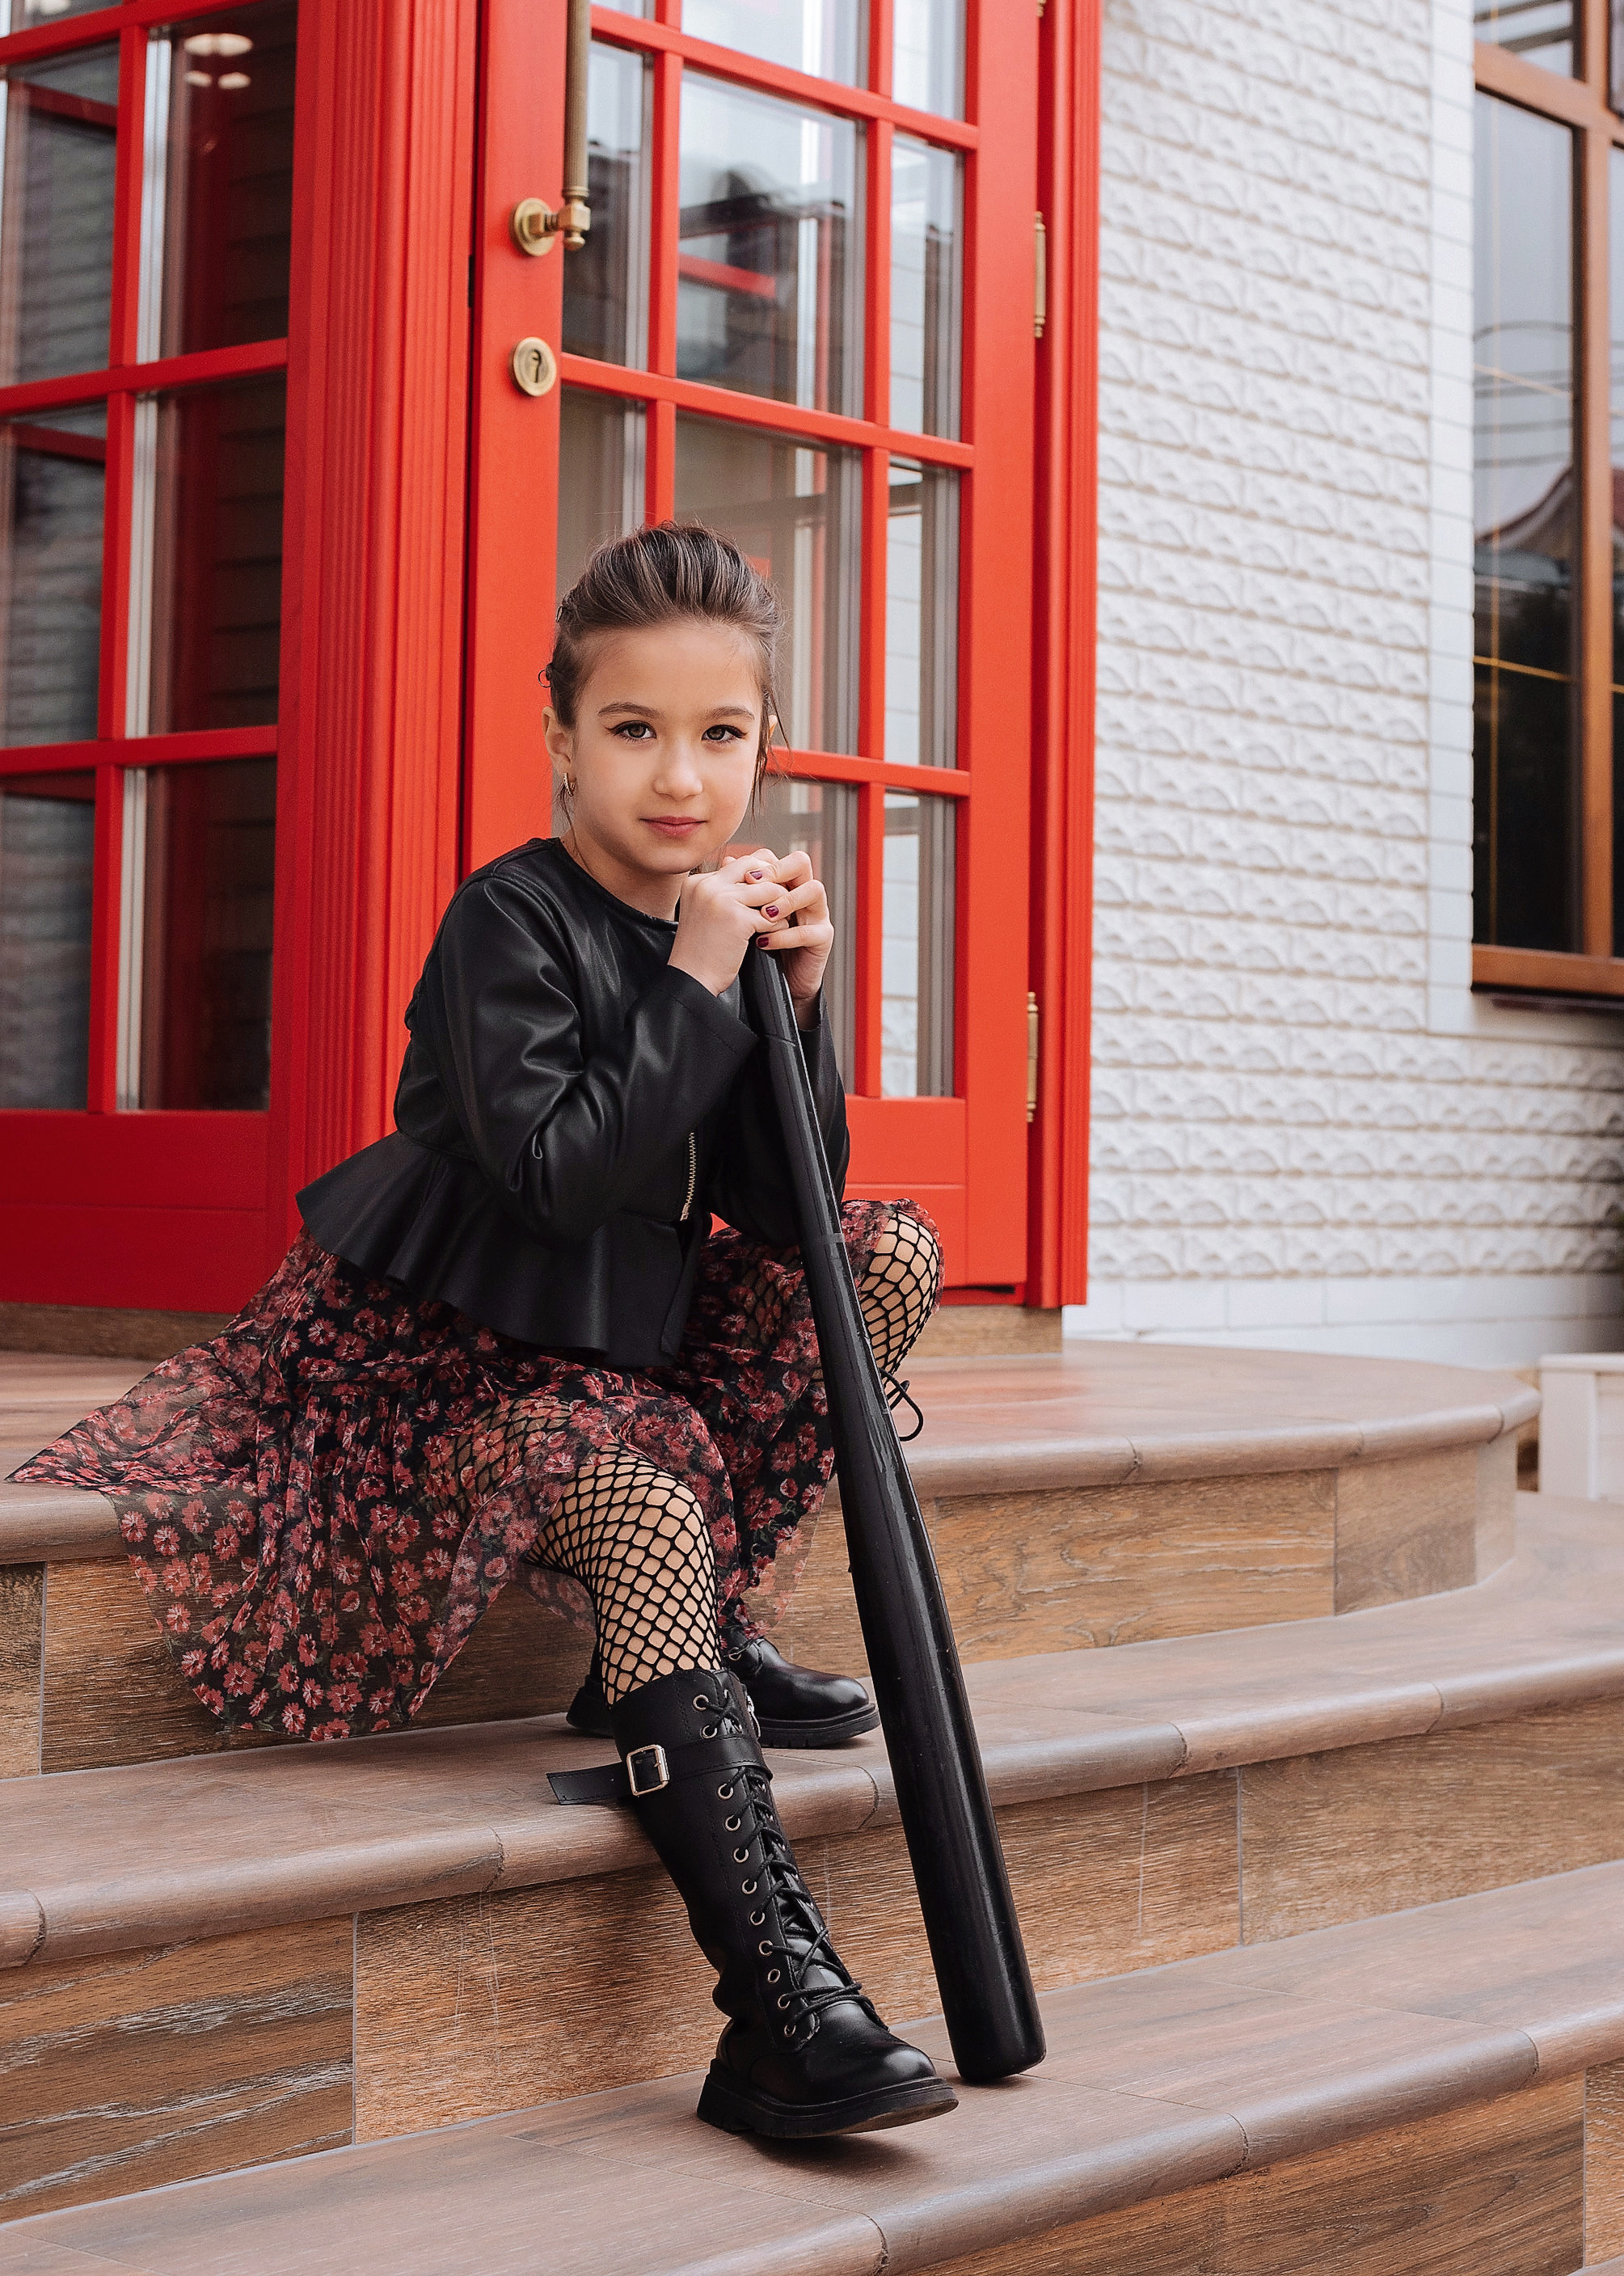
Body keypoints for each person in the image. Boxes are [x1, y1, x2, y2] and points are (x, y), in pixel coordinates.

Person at [11, 521, 955, 2143]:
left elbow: (784, 1216)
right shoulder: (503, 918)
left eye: (720, 734)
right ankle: (776, 2011)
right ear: (560, 742)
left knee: (883, 1253)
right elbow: (553, 1175)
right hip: (448, 1368)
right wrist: (699, 977)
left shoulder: (725, 929)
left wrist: (788, 1009)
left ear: (761, 746)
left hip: (625, 1354)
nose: (680, 779)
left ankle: (686, 1629)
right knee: (647, 1483)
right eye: (634, 730)